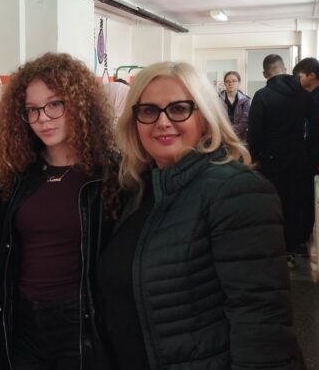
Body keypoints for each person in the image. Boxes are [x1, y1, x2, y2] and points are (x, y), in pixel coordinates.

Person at [100, 61, 300, 369]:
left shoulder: (237, 192)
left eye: (179, 109)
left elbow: (262, 326)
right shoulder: (138, 188)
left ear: (205, 117)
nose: (162, 122)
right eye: (149, 111)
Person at [0, 52, 119, 370]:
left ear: (80, 104)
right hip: (23, 322)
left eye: (55, 104)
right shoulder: (18, 176)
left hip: (82, 323)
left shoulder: (111, 174)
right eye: (31, 110)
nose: (43, 118)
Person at [248, 54, 319, 262]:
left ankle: (275, 248)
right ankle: (293, 246)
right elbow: (318, 125)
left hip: (270, 161)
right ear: (285, 68)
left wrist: (255, 156)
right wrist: (310, 152)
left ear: (265, 74)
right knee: (295, 203)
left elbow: (254, 131)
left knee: (271, 204)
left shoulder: (262, 96)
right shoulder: (303, 94)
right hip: (299, 158)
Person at [293, 57, 319, 172]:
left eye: (300, 77)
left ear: (311, 75)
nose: (298, 80)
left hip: (318, 153)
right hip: (310, 149)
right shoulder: (311, 95)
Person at [220, 71, 251, 141]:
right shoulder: (217, 100)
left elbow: (245, 121)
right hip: (223, 138)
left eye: (234, 81)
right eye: (227, 81)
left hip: (240, 139)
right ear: (224, 83)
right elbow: (216, 120)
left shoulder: (246, 100)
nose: (230, 84)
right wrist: (226, 133)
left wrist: (232, 133)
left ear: (239, 83)